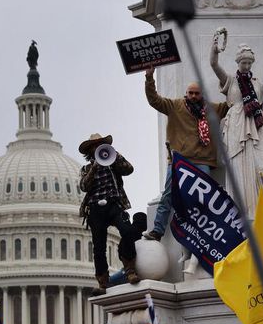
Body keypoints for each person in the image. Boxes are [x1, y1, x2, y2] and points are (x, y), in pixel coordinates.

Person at [142, 67, 229, 242]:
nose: (194, 96)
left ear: (202, 94)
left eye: (197, 93)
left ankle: (205, 233)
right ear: (186, 93)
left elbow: (230, 105)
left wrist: (241, 85)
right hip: (178, 161)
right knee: (168, 195)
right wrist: (149, 78)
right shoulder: (175, 106)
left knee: (204, 199)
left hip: (202, 161)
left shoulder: (211, 109)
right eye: (191, 93)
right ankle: (157, 230)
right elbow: (154, 100)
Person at [210, 40, 263, 219]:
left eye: (249, 63)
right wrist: (214, 50)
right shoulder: (230, 81)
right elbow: (214, 65)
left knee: (260, 167)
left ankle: (262, 213)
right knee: (238, 169)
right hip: (237, 125)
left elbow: (262, 107)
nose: (247, 66)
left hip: (256, 125)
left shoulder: (258, 84)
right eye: (243, 63)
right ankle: (241, 214)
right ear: (237, 63)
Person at [78, 133, 139, 295]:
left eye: (101, 144)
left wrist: (115, 156)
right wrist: (96, 166)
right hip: (96, 208)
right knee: (99, 247)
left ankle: (130, 269)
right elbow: (84, 186)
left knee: (127, 231)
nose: (98, 147)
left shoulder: (113, 162)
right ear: (89, 151)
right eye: (94, 146)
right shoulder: (86, 169)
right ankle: (103, 281)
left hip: (114, 204)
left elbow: (129, 169)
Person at [109, 212, 148, 286]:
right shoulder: (144, 237)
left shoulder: (128, 233)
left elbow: (120, 252)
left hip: (126, 272)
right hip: (139, 271)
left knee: (109, 283)